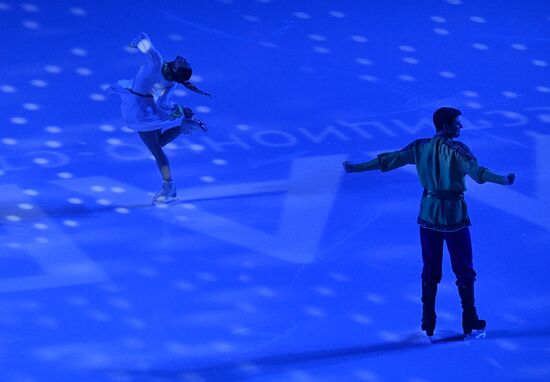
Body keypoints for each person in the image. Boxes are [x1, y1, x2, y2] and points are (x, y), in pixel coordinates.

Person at [343, 107, 515, 337]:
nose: (460, 127)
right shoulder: (458, 150)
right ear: (445, 126)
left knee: (430, 267)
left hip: (428, 214)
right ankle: (469, 317)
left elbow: (391, 159)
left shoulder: (420, 147)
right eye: (456, 123)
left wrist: (358, 167)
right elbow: (477, 173)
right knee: (463, 267)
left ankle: (428, 319)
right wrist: (502, 179)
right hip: (453, 215)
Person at [110, 32, 211, 204]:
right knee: (159, 144)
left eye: (183, 63)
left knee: (157, 149)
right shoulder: (170, 83)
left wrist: (138, 41)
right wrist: (179, 109)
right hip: (148, 109)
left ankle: (168, 185)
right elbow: (164, 105)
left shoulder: (157, 63)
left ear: (176, 69)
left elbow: (145, 43)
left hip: (139, 111)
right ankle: (183, 127)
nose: (183, 59)